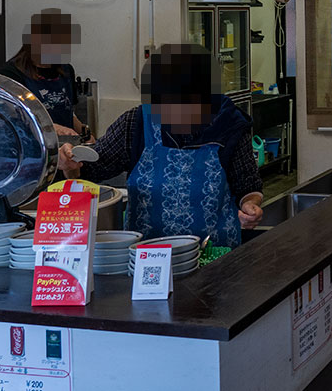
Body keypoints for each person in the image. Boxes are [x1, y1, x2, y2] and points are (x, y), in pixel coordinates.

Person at [63, 44, 263, 246]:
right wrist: (72, 163)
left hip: (215, 258)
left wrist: (250, 206)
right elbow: (91, 167)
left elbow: (248, 185)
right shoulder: (136, 123)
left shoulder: (228, 124)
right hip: (146, 260)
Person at [1, 9, 89, 143]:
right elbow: (13, 119)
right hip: (33, 148)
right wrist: (51, 128)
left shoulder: (66, 70)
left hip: (65, 147)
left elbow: (69, 113)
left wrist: (84, 133)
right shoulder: (11, 73)